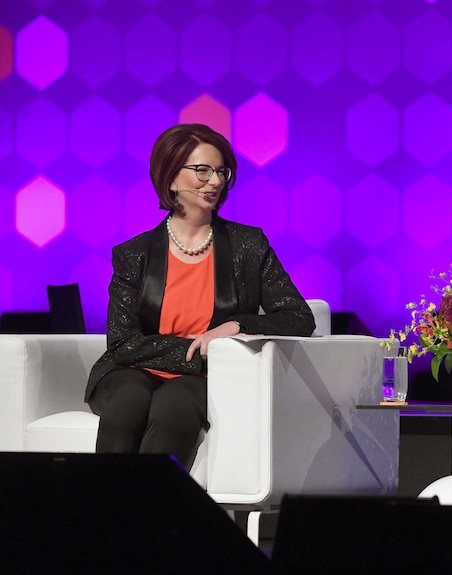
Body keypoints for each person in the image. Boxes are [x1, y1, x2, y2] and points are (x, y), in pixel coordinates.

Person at [85, 123, 315, 470]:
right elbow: (122, 343)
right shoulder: (135, 254)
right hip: (134, 371)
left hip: (203, 378)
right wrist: (194, 351)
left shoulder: (248, 246)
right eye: (202, 171)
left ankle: (151, 517)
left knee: (174, 407)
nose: (215, 181)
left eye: (221, 171)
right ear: (171, 178)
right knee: (127, 402)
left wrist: (236, 326)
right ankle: (100, 515)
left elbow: (299, 318)